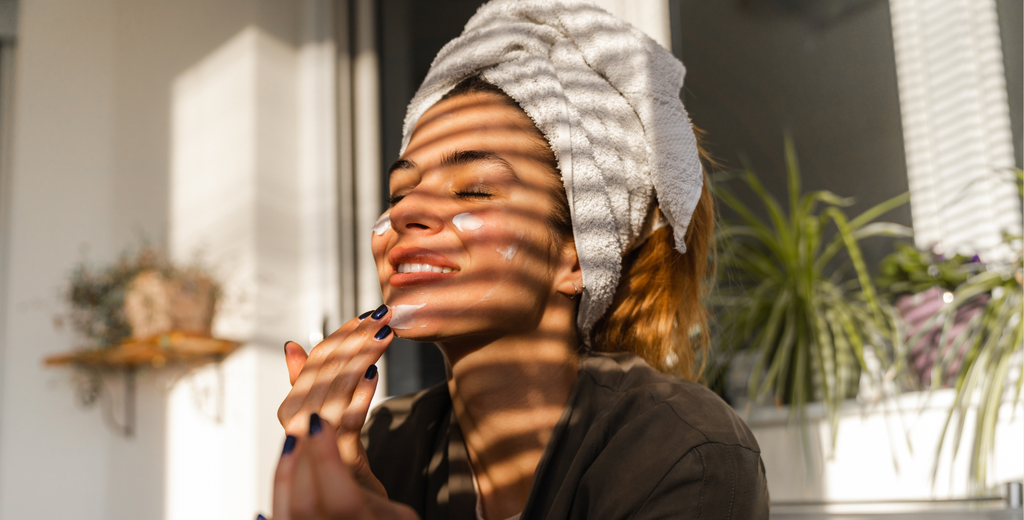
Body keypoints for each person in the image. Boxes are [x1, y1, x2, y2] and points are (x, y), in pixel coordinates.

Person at [268, 1, 769, 519]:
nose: (406, 210)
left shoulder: (682, 450)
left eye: (475, 191)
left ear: (578, 259)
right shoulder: (387, 446)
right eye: (399, 192)